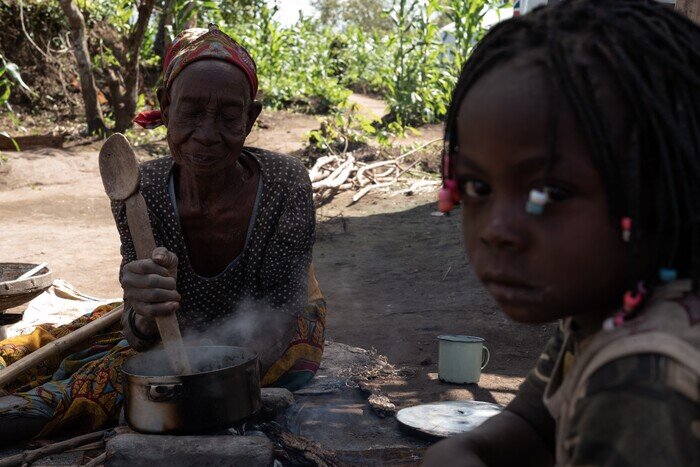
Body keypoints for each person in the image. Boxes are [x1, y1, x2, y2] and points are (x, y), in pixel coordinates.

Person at [0, 25, 326, 444]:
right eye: (190, 112)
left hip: (274, 338)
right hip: (178, 334)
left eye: (228, 117)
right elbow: (137, 333)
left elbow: (278, 312)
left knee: (96, 397)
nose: (207, 136)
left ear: (251, 118)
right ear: (166, 107)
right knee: (48, 363)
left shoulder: (285, 184)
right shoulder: (140, 190)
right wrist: (141, 308)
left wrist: (205, 384)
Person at [425, 0, 700, 465]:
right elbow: (534, 421)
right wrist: (464, 447)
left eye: (549, 193)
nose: (496, 231)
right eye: (477, 187)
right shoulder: (607, 307)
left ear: (655, 192)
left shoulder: (644, 380)